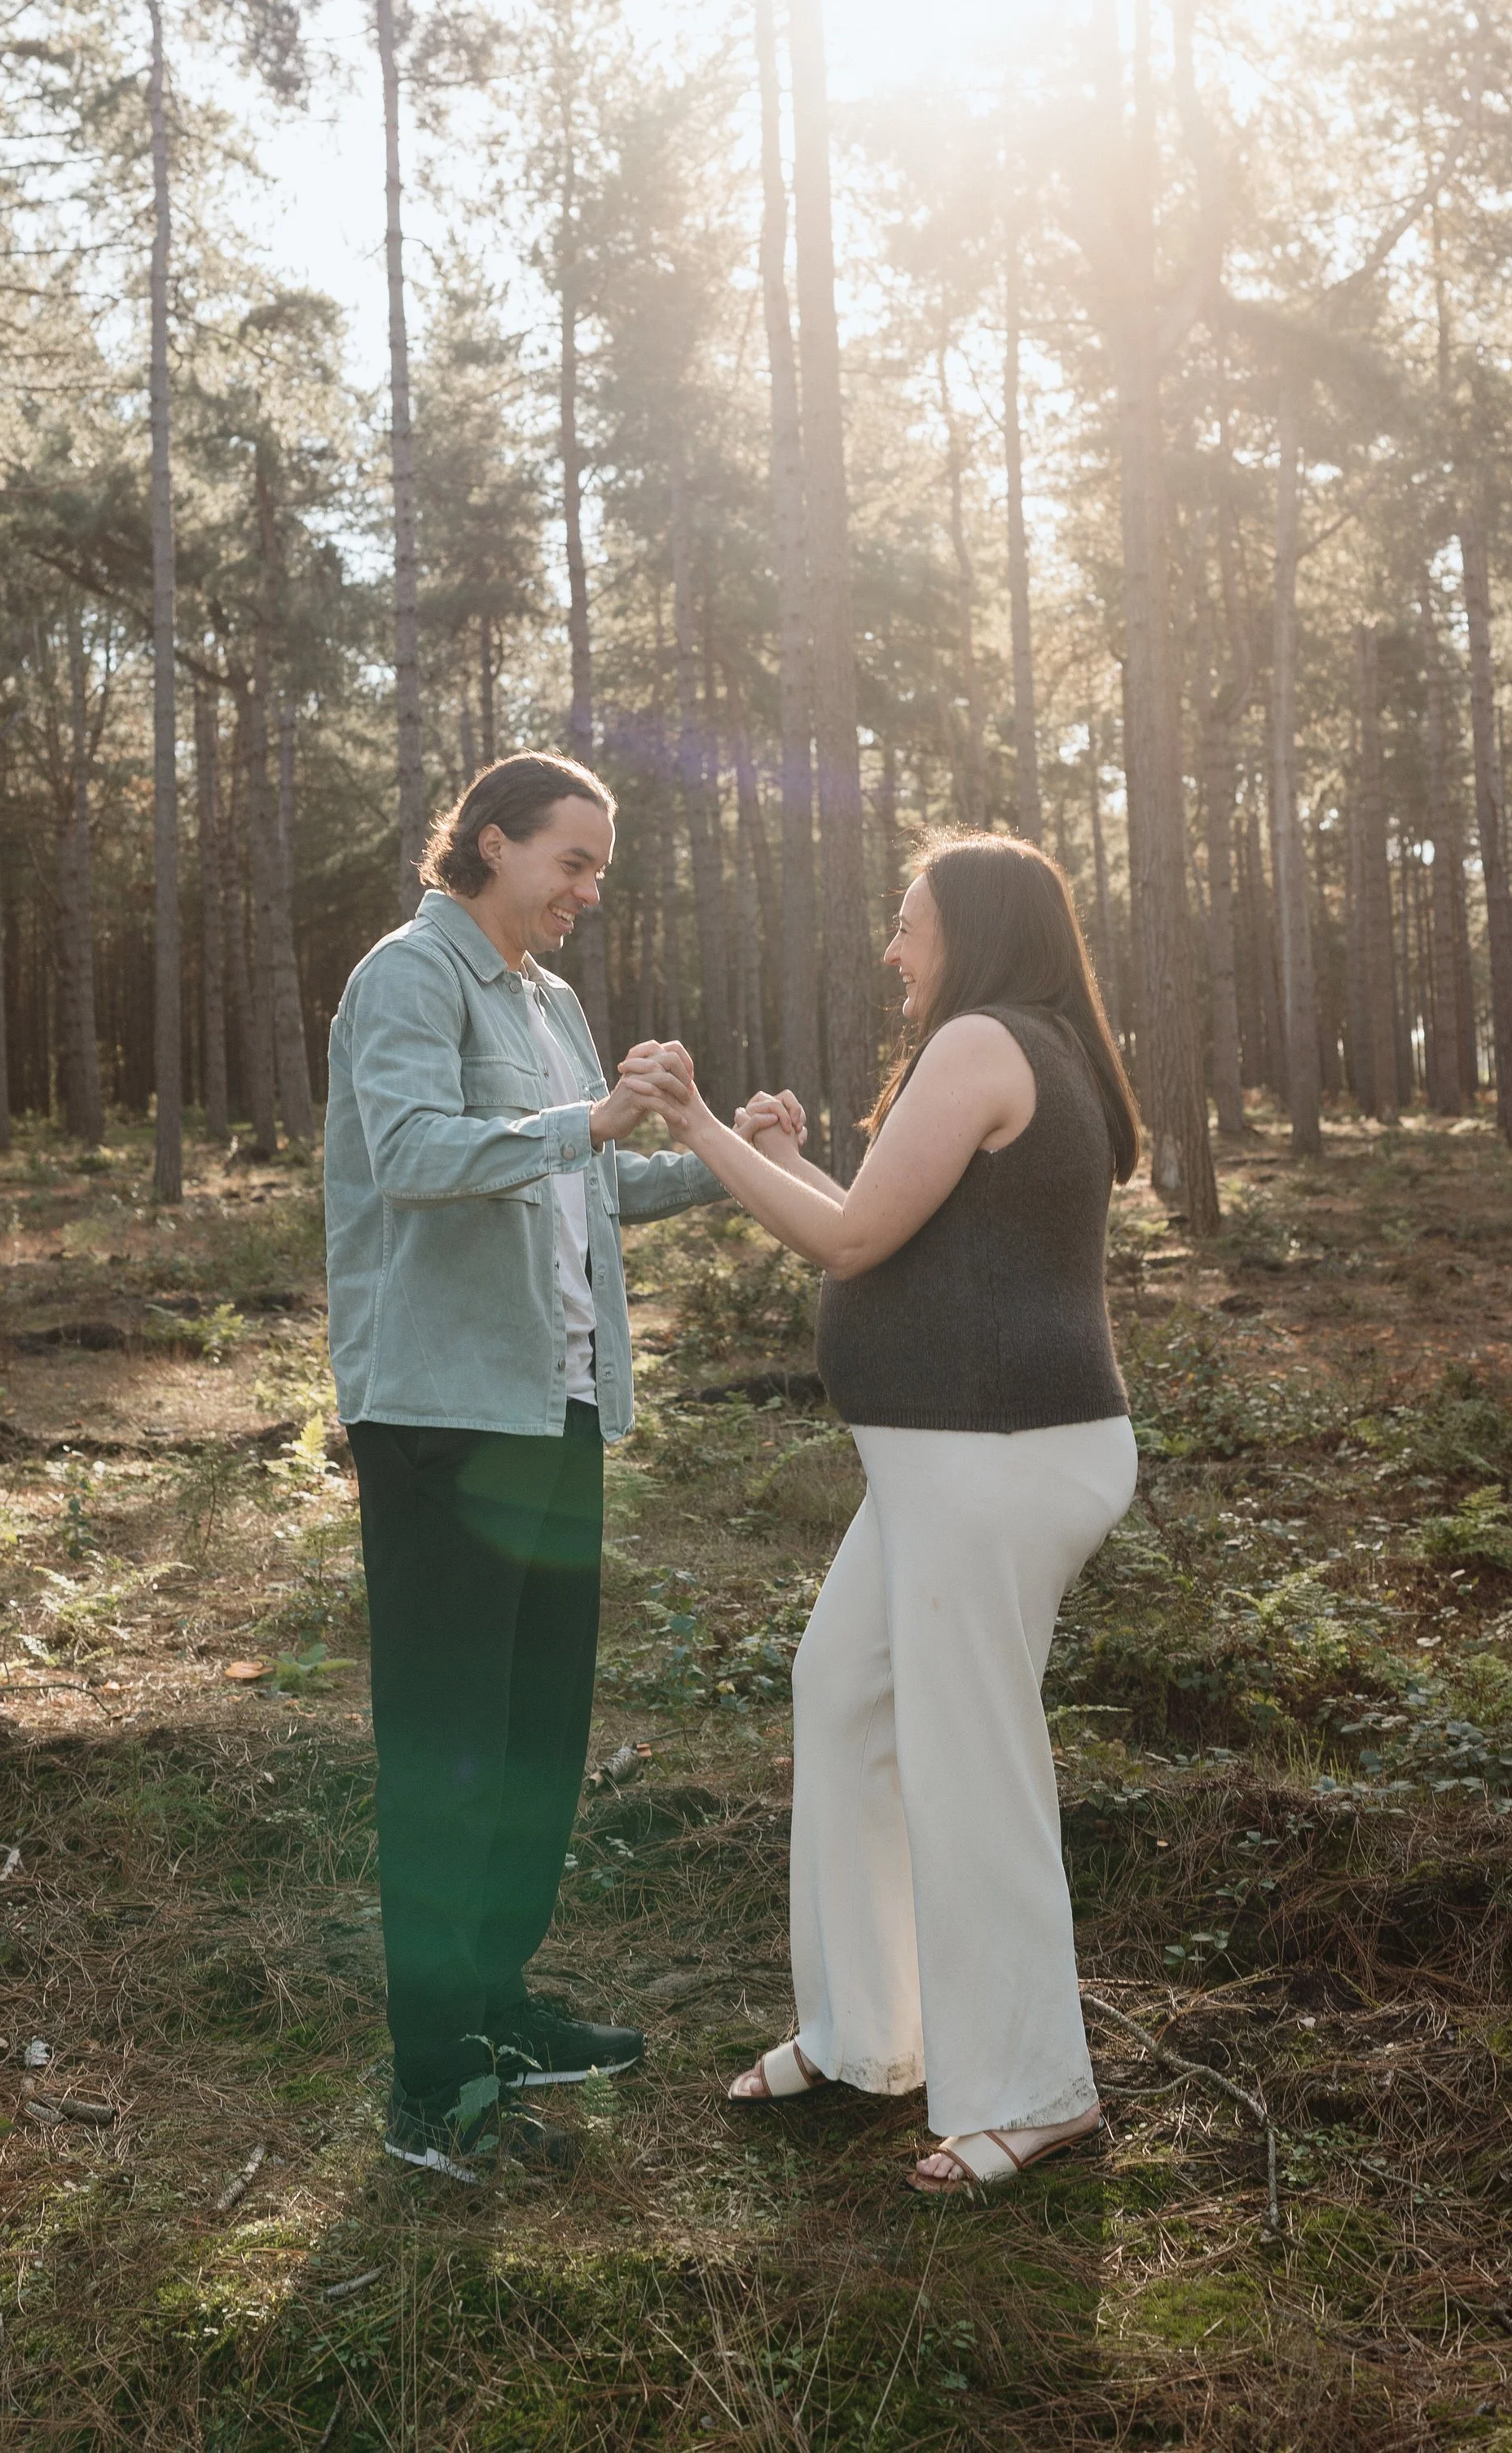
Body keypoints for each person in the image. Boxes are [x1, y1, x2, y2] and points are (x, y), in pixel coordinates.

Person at [620, 830, 1140, 2198]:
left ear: (971, 928)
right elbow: (883, 1228)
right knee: (841, 1696)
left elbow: (846, 1248)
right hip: (942, 1462)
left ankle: (1033, 2091)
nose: (892, 948)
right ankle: (867, 2037)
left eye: (908, 922)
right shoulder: (1020, 1041)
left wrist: (703, 1127)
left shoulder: (982, 1039)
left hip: (998, 1457)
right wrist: (778, 1154)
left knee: (973, 1760)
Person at [327, 750, 767, 2179]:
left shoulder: (557, 1001)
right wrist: (586, 1117)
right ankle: (431, 2082)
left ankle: (500, 2004)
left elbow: (601, 1175)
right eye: (572, 861)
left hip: (555, 1407)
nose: (589, 892)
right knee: (449, 1747)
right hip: (444, 1417)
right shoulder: (412, 975)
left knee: (531, 1738)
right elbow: (411, 1152)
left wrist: (716, 1146)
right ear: (493, 841)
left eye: (600, 871)